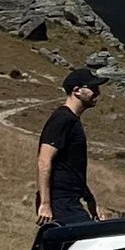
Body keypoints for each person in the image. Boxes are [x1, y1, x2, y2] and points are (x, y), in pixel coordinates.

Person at [36, 66, 104, 234]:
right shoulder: (62, 119)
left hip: (70, 201)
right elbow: (44, 161)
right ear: (77, 91)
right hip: (61, 202)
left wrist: (89, 199)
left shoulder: (72, 120)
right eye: (93, 88)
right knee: (90, 241)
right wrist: (45, 204)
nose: (98, 92)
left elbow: (72, 167)